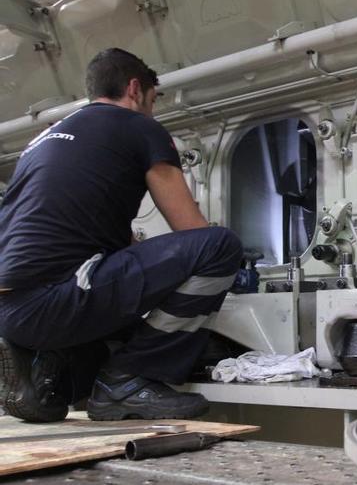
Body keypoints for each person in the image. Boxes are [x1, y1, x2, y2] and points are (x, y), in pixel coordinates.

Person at [0, 48, 243, 422]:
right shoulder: (139, 127)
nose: (152, 110)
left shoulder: (44, 139)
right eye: (152, 100)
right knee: (219, 247)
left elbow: (79, 230)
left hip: (11, 308)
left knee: (131, 331)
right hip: (54, 302)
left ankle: (47, 371)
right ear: (135, 88)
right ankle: (125, 382)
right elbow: (192, 231)